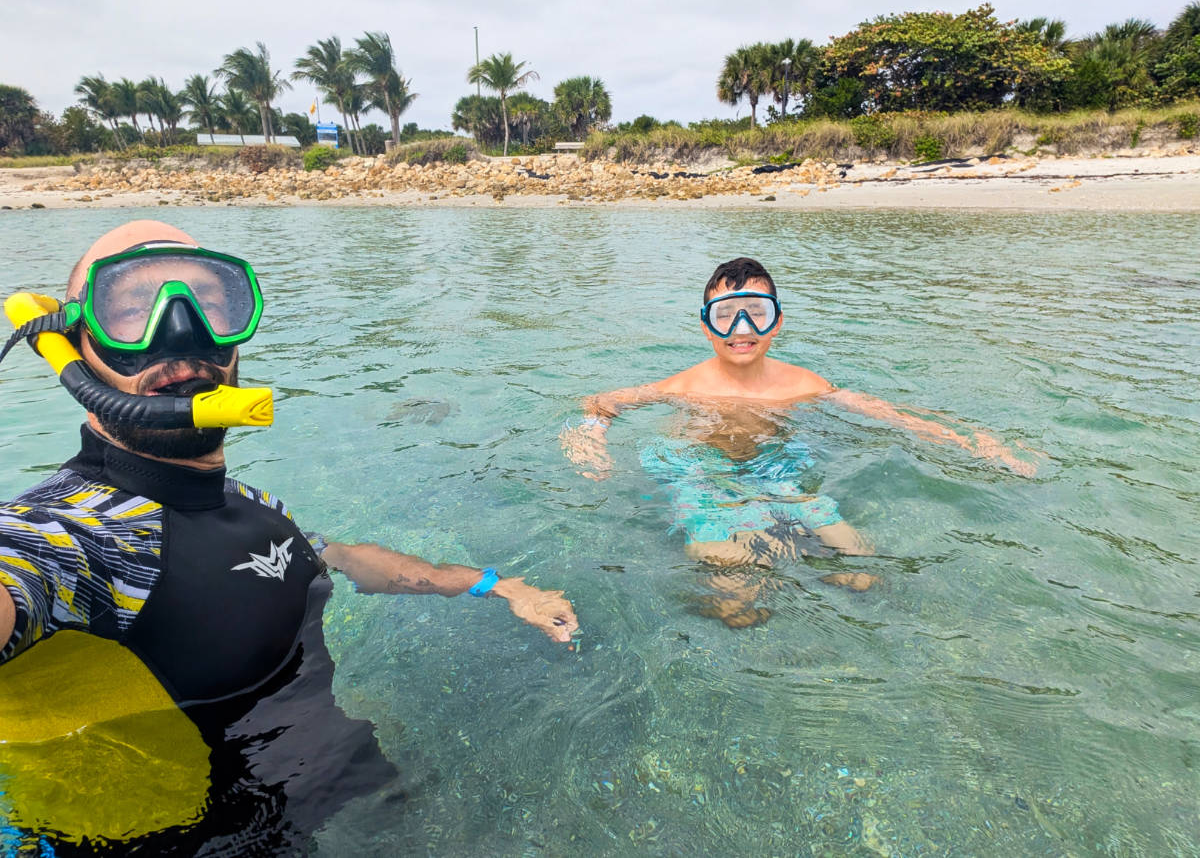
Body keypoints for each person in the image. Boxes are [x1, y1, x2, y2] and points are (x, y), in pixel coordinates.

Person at [0, 220, 579, 853]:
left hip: (337, 794)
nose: (179, 333)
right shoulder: (80, 534)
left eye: (210, 304)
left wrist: (497, 586)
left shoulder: (249, 504)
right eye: (130, 309)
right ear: (72, 351)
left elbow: (335, 555)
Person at [561, 257, 1035, 627]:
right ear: (707, 326)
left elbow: (888, 413)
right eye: (726, 316)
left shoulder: (804, 384)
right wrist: (589, 438)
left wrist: (972, 442)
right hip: (700, 471)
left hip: (777, 471)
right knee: (740, 599)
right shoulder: (682, 386)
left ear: (777, 322)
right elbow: (600, 403)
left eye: (755, 314)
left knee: (861, 567)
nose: (741, 329)